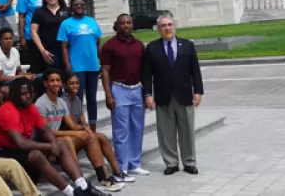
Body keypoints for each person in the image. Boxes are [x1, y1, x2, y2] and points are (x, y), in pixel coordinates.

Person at [0, 78, 101, 196]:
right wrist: (49, 146)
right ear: (14, 95)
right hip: (0, 150)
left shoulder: (30, 107)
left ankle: (82, 186)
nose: (28, 96)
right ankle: (71, 193)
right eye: (23, 94)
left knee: (61, 143)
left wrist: (54, 144)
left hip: (19, 147)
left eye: (30, 93)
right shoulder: (8, 111)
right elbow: (20, 143)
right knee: (36, 155)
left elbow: (45, 130)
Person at [38, 71, 131, 191]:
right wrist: (75, 132)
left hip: (60, 137)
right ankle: (81, 181)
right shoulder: (41, 103)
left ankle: (103, 177)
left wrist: (84, 129)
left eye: (57, 80)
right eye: (52, 81)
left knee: (90, 136)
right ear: (45, 83)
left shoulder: (60, 102)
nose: (56, 83)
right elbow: (47, 132)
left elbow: (72, 125)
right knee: (67, 140)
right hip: (48, 141)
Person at [142, 15, 205, 176]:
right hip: (163, 96)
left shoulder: (188, 45)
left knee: (187, 132)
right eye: (163, 26)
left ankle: (189, 162)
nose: (167, 28)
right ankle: (171, 163)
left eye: (170, 25)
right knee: (166, 132)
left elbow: (195, 71)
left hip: (184, 95)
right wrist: (148, 94)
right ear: (158, 29)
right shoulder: (152, 48)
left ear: (174, 26)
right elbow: (147, 75)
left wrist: (198, 91)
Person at [100, 14, 151, 176]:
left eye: (129, 23)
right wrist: (108, 95)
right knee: (121, 130)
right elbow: (105, 71)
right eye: (122, 23)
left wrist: (147, 93)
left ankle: (135, 163)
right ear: (117, 25)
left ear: (132, 25)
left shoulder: (139, 45)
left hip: (137, 89)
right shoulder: (109, 46)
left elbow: (144, 71)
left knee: (137, 128)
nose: (126, 25)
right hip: (119, 89)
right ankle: (122, 165)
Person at [58, 0, 103, 131]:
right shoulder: (66, 24)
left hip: (93, 66)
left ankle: (93, 128)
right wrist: (68, 66)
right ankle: (77, 128)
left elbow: (98, 43)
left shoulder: (92, 22)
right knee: (76, 99)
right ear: (71, 7)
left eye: (82, 4)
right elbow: (64, 47)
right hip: (77, 67)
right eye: (76, 4)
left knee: (92, 99)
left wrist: (101, 62)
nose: (79, 7)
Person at [30, 0, 68, 74]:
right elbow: (33, 32)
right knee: (52, 77)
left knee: (68, 77)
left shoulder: (67, 11)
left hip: (65, 49)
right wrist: (43, 51)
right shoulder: (39, 12)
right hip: (48, 51)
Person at [16, 0, 45, 70]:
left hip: (46, 34)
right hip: (31, 36)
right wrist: (22, 37)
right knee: (36, 65)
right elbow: (21, 17)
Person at [0, 27, 35, 93]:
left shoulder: (15, 51)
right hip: (1, 84)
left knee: (38, 78)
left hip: (15, 80)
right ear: (0, 40)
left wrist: (26, 75)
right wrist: (21, 77)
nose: (9, 41)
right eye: (6, 39)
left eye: (11, 38)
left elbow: (19, 71)